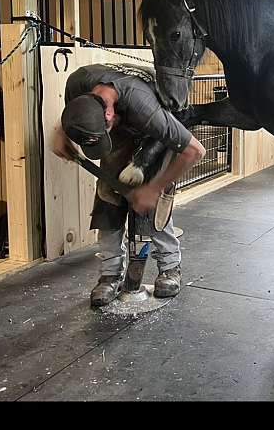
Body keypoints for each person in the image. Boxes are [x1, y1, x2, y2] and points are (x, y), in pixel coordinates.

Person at [50, 63, 205, 307]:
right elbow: (73, 113)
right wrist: (61, 133)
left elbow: (195, 151)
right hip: (123, 130)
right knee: (108, 197)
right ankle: (110, 273)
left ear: (109, 115)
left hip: (156, 133)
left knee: (153, 207)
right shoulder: (77, 83)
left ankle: (170, 266)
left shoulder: (146, 109)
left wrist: (152, 190)